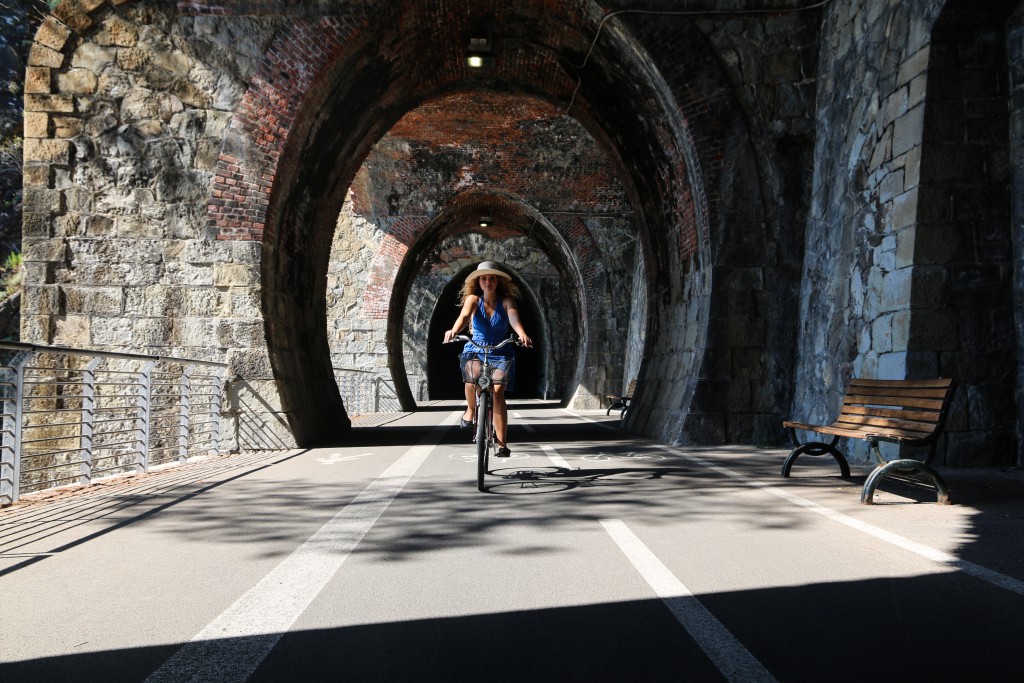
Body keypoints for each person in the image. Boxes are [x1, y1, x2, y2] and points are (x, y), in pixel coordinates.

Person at [444, 261, 532, 457]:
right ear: (478, 282)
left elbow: (513, 318)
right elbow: (464, 316)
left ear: (498, 281)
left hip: (500, 349)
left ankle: (502, 444)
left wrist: (522, 334)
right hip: (476, 347)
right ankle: (470, 410)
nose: (488, 282)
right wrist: (454, 330)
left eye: (492, 278)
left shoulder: (507, 300)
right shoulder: (473, 299)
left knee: (498, 391)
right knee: (470, 378)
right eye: (484, 278)